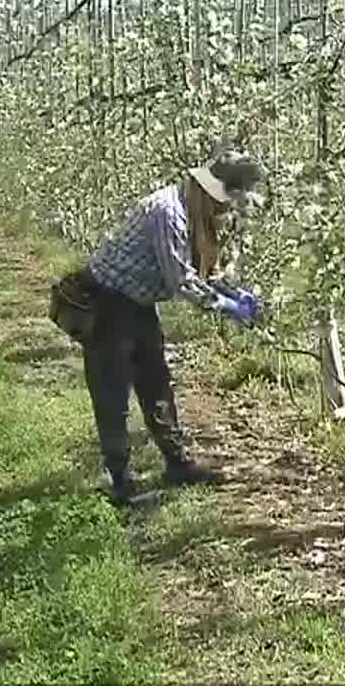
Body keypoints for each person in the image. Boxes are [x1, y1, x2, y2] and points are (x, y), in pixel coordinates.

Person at [76, 149, 269, 504]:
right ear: (210, 193)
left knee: (156, 382)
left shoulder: (191, 214)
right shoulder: (168, 213)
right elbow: (181, 280)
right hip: (108, 302)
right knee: (113, 390)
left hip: (137, 302)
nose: (224, 212)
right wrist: (226, 307)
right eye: (224, 204)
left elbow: (202, 272)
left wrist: (234, 292)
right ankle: (120, 481)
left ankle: (177, 463)